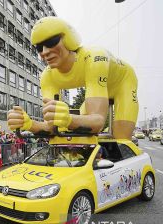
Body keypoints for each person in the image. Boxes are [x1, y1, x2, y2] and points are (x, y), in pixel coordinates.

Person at [8, 17, 138, 140]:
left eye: (51, 42)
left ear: (69, 39)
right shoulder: (47, 76)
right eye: (39, 47)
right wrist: (29, 124)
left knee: (121, 138)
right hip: (97, 89)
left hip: (123, 83)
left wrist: (69, 119)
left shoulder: (94, 58)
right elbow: (53, 127)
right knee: (77, 134)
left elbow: (98, 122)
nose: (45, 52)